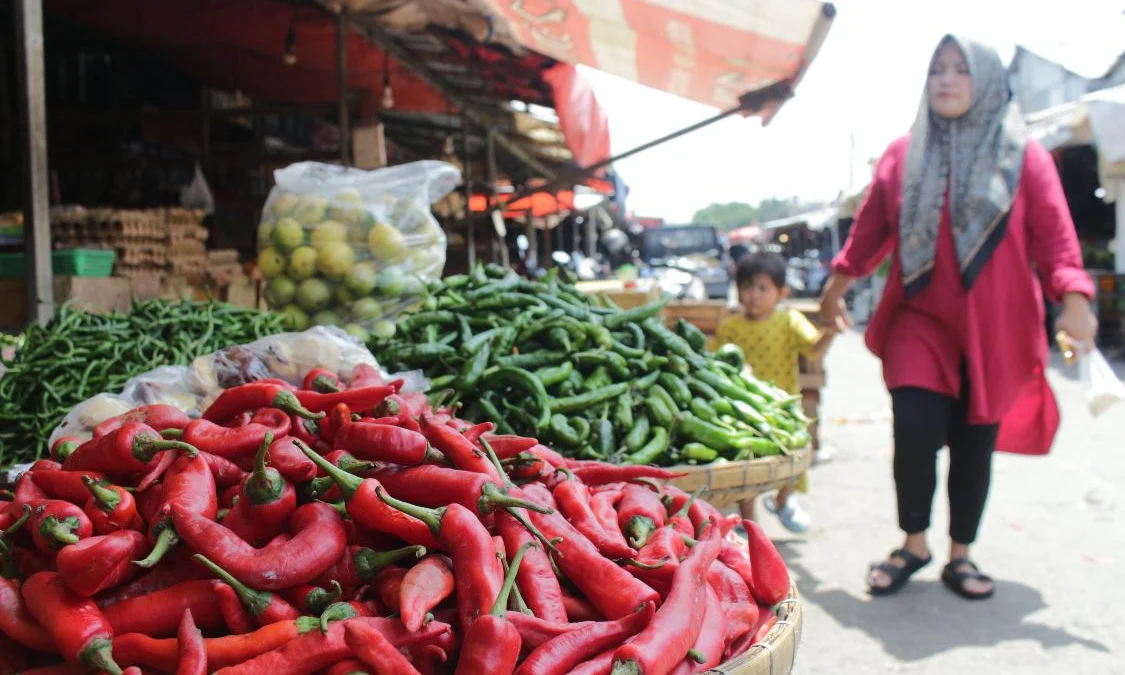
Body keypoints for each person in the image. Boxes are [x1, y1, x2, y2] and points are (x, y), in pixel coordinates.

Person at [818, 35, 1098, 600]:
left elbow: (1055, 236)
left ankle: (960, 555)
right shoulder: (903, 153)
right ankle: (913, 543)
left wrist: (1074, 297)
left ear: (988, 80)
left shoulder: (1024, 155)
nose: (945, 80)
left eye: (960, 70)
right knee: (915, 429)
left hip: (994, 326)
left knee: (975, 442)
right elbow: (869, 231)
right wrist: (834, 290)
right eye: (936, 70)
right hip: (918, 320)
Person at [715, 252, 841, 534]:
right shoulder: (730, 328)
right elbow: (716, 365)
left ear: (781, 292)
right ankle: (749, 522)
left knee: (794, 456)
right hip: (744, 408)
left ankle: (784, 500)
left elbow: (813, 347)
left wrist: (830, 332)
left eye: (762, 288)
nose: (753, 295)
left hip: (785, 405)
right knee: (747, 461)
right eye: (746, 287)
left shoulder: (789, 321)